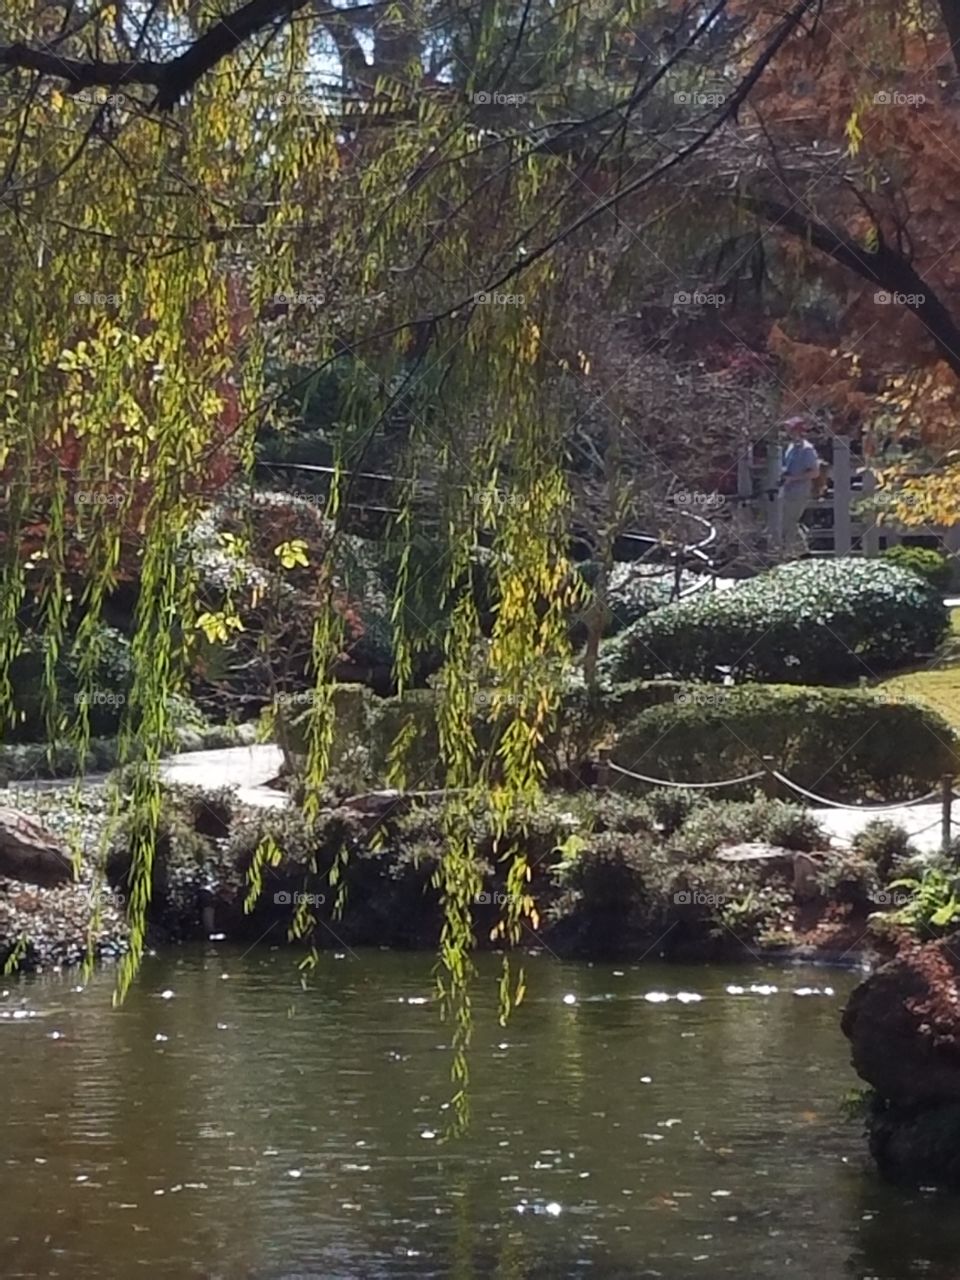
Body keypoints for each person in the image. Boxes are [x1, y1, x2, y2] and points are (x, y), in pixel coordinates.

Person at [779, 416, 821, 557]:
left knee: (789, 522)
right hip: (787, 490)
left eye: (790, 429)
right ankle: (801, 552)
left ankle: (794, 553)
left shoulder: (807, 449)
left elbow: (815, 472)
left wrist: (794, 478)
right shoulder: (790, 447)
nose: (787, 432)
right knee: (787, 522)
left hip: (799, 491)